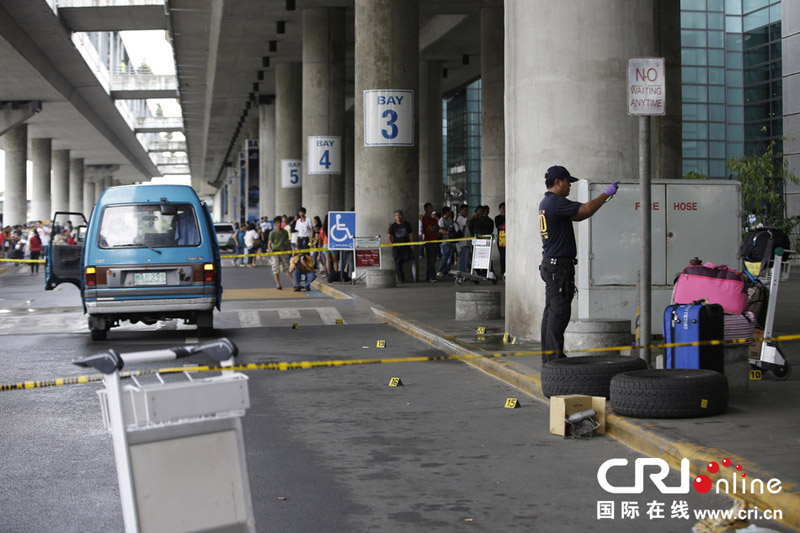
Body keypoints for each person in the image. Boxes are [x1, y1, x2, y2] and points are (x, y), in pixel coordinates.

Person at [539, 165, 619, 364]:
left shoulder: (548, 203)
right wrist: (606, 194)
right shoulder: (555, 203)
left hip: (553, 266)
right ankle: (554, 360)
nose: (569, 186)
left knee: (551, 312)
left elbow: (580, 215)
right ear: (558, 182)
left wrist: (604, 199)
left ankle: (550, 358)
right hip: (558, 268)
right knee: (558, 314)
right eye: (568, 182)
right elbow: (586, 209)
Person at [388, 209, 414, 283]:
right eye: (396, 215)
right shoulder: (393, 226)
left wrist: (412, 245)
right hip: (397, 247)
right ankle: (401, 278)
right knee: (397, 262)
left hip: (406, 246)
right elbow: (389, 237)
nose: (398, 217)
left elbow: (410, 235)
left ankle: (400, 261)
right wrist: (392, 245)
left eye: (400, 215)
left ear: (402, 216)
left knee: (406, 257)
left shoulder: (406, 224)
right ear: (395, 217)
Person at [268, 216, 291, 289]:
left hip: (283, 252)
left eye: (280, 222)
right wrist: (272, 252)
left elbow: (287, 242)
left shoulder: (285, 232)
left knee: (288, 268)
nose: (279, 224)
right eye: (277, 223)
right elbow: (269, 244)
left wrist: (287, 251)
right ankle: (278, 284)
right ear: (275, 224)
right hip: (275, 252)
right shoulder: (272, 233)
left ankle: (295, 283)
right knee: (275, 269)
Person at [436, 206, 457, 278]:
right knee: (445, 256)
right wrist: (448, 233)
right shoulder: (442, 220)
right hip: (444, 241)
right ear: (447, 212)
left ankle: (446, 270)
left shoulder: (449, 220)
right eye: (449, 211)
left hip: (450, 240)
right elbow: (440, 230)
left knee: (448, 256)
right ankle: (440, 270)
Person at [421, 202, 439, 282]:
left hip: (435, 240)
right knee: (431, 259)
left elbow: (437, 227)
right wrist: (433, 228)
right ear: (426, 209)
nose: (431, 210)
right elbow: (430, 229)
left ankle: (429, 276)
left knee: (434, 259)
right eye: (430, 208)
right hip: (429, 241)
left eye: (432, 208)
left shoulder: (433, 219)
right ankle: (431, 276)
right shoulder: (425, 219)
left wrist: (433, 228)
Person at [495, 202, 506, 277]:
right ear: (499, 209)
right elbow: (498, 226)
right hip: (501, 238)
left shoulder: (509, 216)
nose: (504, 210)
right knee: (502, 255)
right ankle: (502, 270)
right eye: (502, 208)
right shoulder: (497, 218)